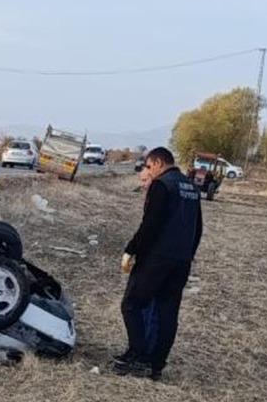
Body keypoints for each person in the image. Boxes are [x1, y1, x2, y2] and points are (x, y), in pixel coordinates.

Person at [115, 147, 203, 381]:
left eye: (148, 166)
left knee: (132, 304)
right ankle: (156, 364)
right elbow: (198, 228)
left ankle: (137, 355)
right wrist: (188, 254)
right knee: (167, 312)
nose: (148, 170)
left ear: (157, 162)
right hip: (181, 261)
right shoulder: (191, 187)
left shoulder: (162, 185)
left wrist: (131, 250)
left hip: (157, 259)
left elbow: (151, 224)